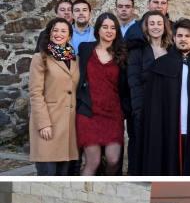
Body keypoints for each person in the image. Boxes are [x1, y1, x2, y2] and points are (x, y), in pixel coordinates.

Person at [141, 18, 190, 175]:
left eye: (187, 36)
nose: (183, 39)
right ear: (174, 38)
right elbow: (153, 104)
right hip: (168, 128)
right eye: (180, 36)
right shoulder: (160, 65)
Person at [76, 12, 130, 176]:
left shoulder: (122, 54)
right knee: (93, 161)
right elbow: (63, 55)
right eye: (105, 27)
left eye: (113, 27)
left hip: (113, 114)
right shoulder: (85, 49)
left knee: (113, 160)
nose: (109, 31)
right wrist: (45, 45)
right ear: (97, 30)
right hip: (88, 112)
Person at [29, 18, 80, 175]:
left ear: (69, 36)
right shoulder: (40, 58)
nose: (59, 34)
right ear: (49, 33)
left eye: (63, 31)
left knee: (62, 176)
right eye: (55, 30)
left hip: (68, 127)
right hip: (48, 124)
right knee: (47, 174)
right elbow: (35, 93)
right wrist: (43, 123)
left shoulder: (74, 59)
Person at [127, 11, 173, 175]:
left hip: (166, 108)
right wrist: (138, 110)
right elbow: (133, 82)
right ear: (145, 27)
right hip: (143, 108)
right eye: (151, 23)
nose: (155, 27)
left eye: (159, 23)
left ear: (165, 26)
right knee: (141, 149)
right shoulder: (137, 50)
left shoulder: (171, 49)